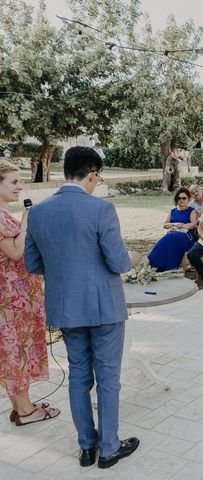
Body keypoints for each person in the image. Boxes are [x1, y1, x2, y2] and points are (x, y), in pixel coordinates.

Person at [25, 147, 139, 468]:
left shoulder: (38, 212)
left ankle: (86, 448)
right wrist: (131, 257)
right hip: (105, 307)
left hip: (66, 308)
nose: (97, 183)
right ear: (92, 174)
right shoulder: (101, 209)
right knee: (107, 378)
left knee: (78, 376)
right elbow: (118, 261)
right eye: (98, 177)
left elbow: (33, 264)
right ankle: (109, 448)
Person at [0, 160, 58, 426]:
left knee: (15, 352)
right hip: (10, 301)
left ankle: (21, 405)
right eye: (13, 182)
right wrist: (27, 222)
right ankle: (25, 412)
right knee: (15, 352)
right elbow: (14, 252)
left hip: (15, 299)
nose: (20, 187)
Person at [147, 187, 197, 271]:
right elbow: (165, 225)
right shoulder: (173, 211)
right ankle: (155, 265)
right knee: (166, 241)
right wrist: (174, 224)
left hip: (186, 237)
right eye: (179, 198)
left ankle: (170, 267)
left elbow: (193, 225)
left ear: (188, 199)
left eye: (184, 198)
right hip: (172, 234)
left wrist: (180, 226)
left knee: (171, 238)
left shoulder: (192, 211)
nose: (181, 200)